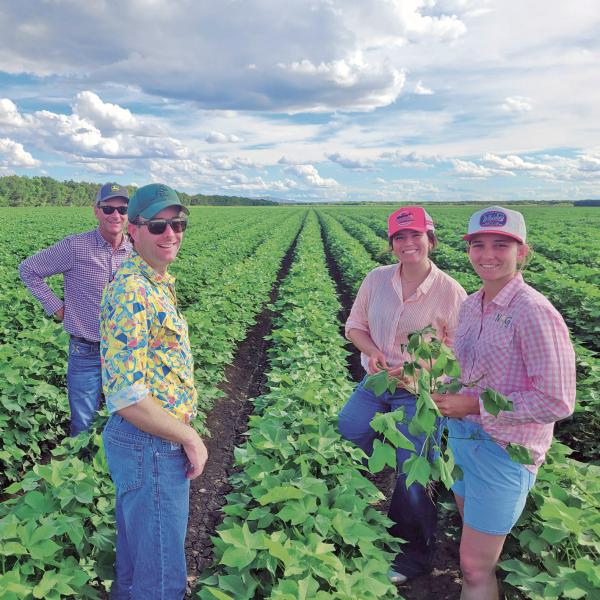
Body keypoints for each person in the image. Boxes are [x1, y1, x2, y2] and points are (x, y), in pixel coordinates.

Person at [432, 206, 575, 600]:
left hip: (504, 452)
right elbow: (464, 369)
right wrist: (430, 383)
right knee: (473, 544)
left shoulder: (534, 312)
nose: (488, 254)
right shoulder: (471, 304)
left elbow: (557, 401)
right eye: (478, 244)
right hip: (463, 438)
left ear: (522, 252)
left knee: (475, 567)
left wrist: (475, 406)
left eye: (501, 244)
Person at [337, 206, 467, 583]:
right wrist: (373, 351)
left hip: (419, 393)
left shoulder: (449, 292)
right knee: (349, 434)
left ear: (430, 240)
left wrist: (418, 369)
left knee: (413, 473)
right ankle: (354, 517)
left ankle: (413, 556)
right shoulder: (377, 279)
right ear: (391, 243)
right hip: (377, 384)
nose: (408, 244)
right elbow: (354, 326)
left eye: (416, 236)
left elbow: (458, 354)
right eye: (400, 237)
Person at [100, 183, 208, 599]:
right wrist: (189, 437)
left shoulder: (154, 282)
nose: (171, 234)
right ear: (134, 230)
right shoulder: (132, 290)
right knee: (161, 577)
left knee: (136, 566)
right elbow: (127, 394)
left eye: (178, 223)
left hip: (147, 444)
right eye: (159, 225)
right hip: (152, 445)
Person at [18, 183, 131, 436]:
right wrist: (57, 307)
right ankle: (81, 470)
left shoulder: (135, 251)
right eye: (108, 208)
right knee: (83, 424)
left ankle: (111, 470)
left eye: (122, 209)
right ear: (96, 211)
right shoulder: (75, 247)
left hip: (126, 350)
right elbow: (29, 269)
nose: (116, 215)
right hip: (86, 350)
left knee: (126, 420)